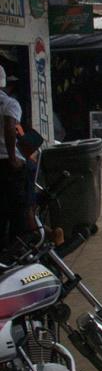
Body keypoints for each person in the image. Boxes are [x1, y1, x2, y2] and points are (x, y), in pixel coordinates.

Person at [0, 67, 26, 243]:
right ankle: (17, 246)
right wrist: (12, 157)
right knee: (17, 208)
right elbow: (10, 127)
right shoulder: (9, 103)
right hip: (5, 163)